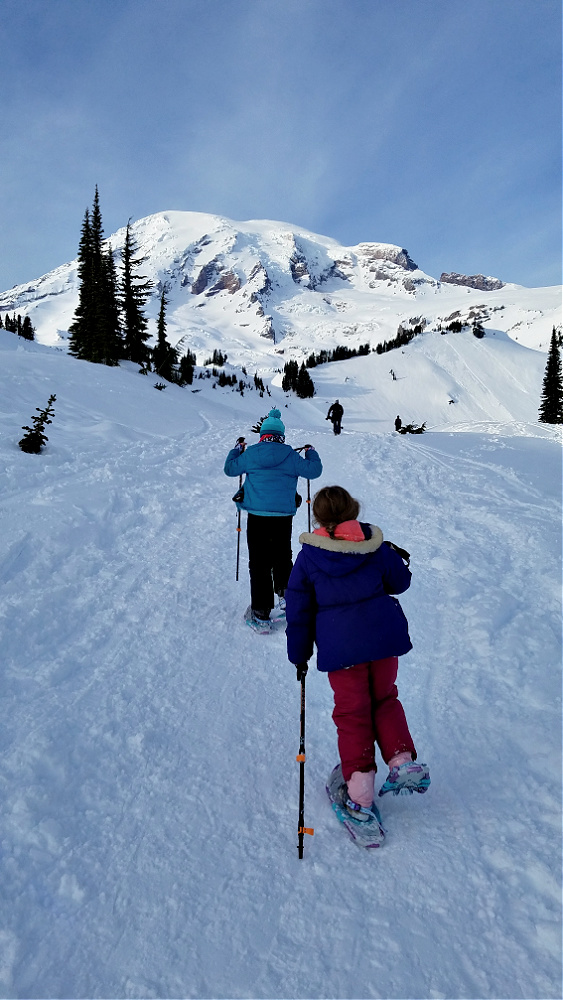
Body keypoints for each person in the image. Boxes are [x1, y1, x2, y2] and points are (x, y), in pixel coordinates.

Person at [285, 485, 429, 830]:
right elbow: (400, 581)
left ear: (318, 517)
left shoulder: (309, 557)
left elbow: (299, 610)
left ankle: (360, 796)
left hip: (343, 650)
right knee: (384, 699)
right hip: (383, 641)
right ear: (353, 510)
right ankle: (401, 760)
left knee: (353, 715)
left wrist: (299, 655)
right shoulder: (373, 544)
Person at [224, 408, 322, 633]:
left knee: (258, 563)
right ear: (281, 435)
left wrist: (236, 450)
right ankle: (287, 597)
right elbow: (314, 471)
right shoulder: (290, 455)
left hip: (257, 516)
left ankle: (261, 614)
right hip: (282, 516)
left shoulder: (252, 454)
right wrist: (311, 453)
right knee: (281, 555)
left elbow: (230, 469)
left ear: (263, 435)